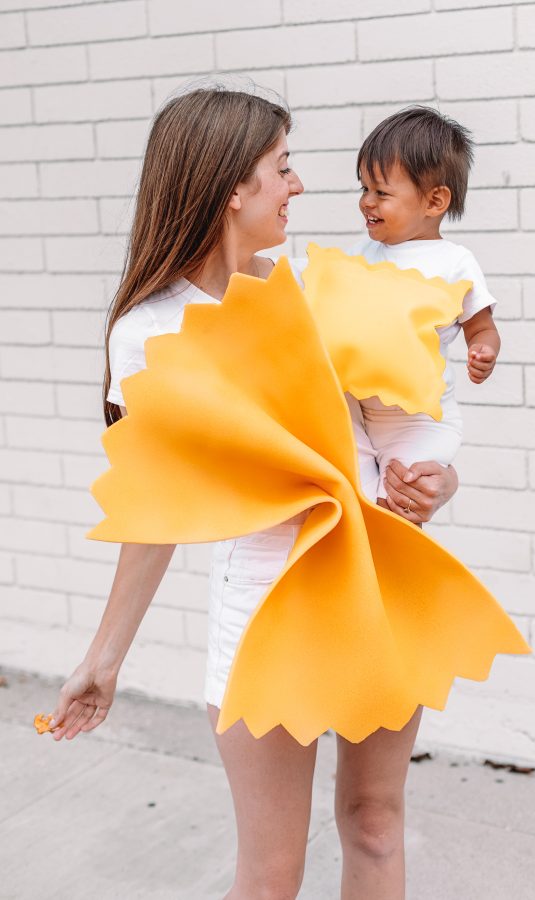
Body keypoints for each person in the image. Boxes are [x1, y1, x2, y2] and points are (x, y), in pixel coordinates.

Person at [48, 87, 460, 900]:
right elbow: (160, 507)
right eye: (283, 167)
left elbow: (392, 421)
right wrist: (103, 659)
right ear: (232, 185)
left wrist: (436, 480)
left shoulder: (314, 284)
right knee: (272, 874)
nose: (298, 187)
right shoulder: (151, 333)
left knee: (376, 824)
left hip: (383, 591)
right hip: (268, 615)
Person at [350, 106, 501, 508]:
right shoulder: (362, 255)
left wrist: (482, 352)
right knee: (358, 511)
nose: (367, 202)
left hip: (417, 424)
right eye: (363, 189)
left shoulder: (454, 262)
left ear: (434, 201)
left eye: (381, 192)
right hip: (364, 417)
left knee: (399, 507)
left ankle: (403, 567)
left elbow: (481, 327)